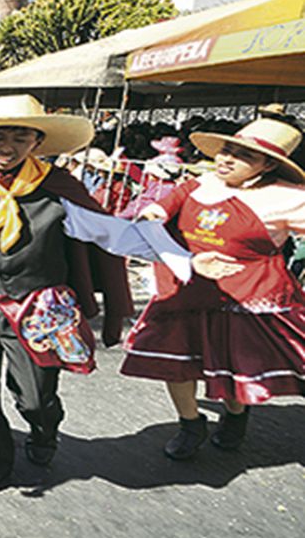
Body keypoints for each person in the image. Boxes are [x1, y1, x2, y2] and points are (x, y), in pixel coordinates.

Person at [0, 95, 195, 497]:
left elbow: (116, 235)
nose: (6, 146)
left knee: (35, 398)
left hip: (39, 310)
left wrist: (185, 258)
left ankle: (45, 428)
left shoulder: (60, 190)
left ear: (36, 142)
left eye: (20, 136)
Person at [122, 118, 305, 459]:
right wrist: (150, 219)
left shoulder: (287, 197)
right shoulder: (198, 183)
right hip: (185, 287)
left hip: (246, 296)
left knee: (233, 366)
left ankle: (236, 416)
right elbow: (159, 209)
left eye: (243, 155)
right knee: (175, 361)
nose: (227, 159)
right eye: (226, 149)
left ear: (268, 165)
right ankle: (190, 423)